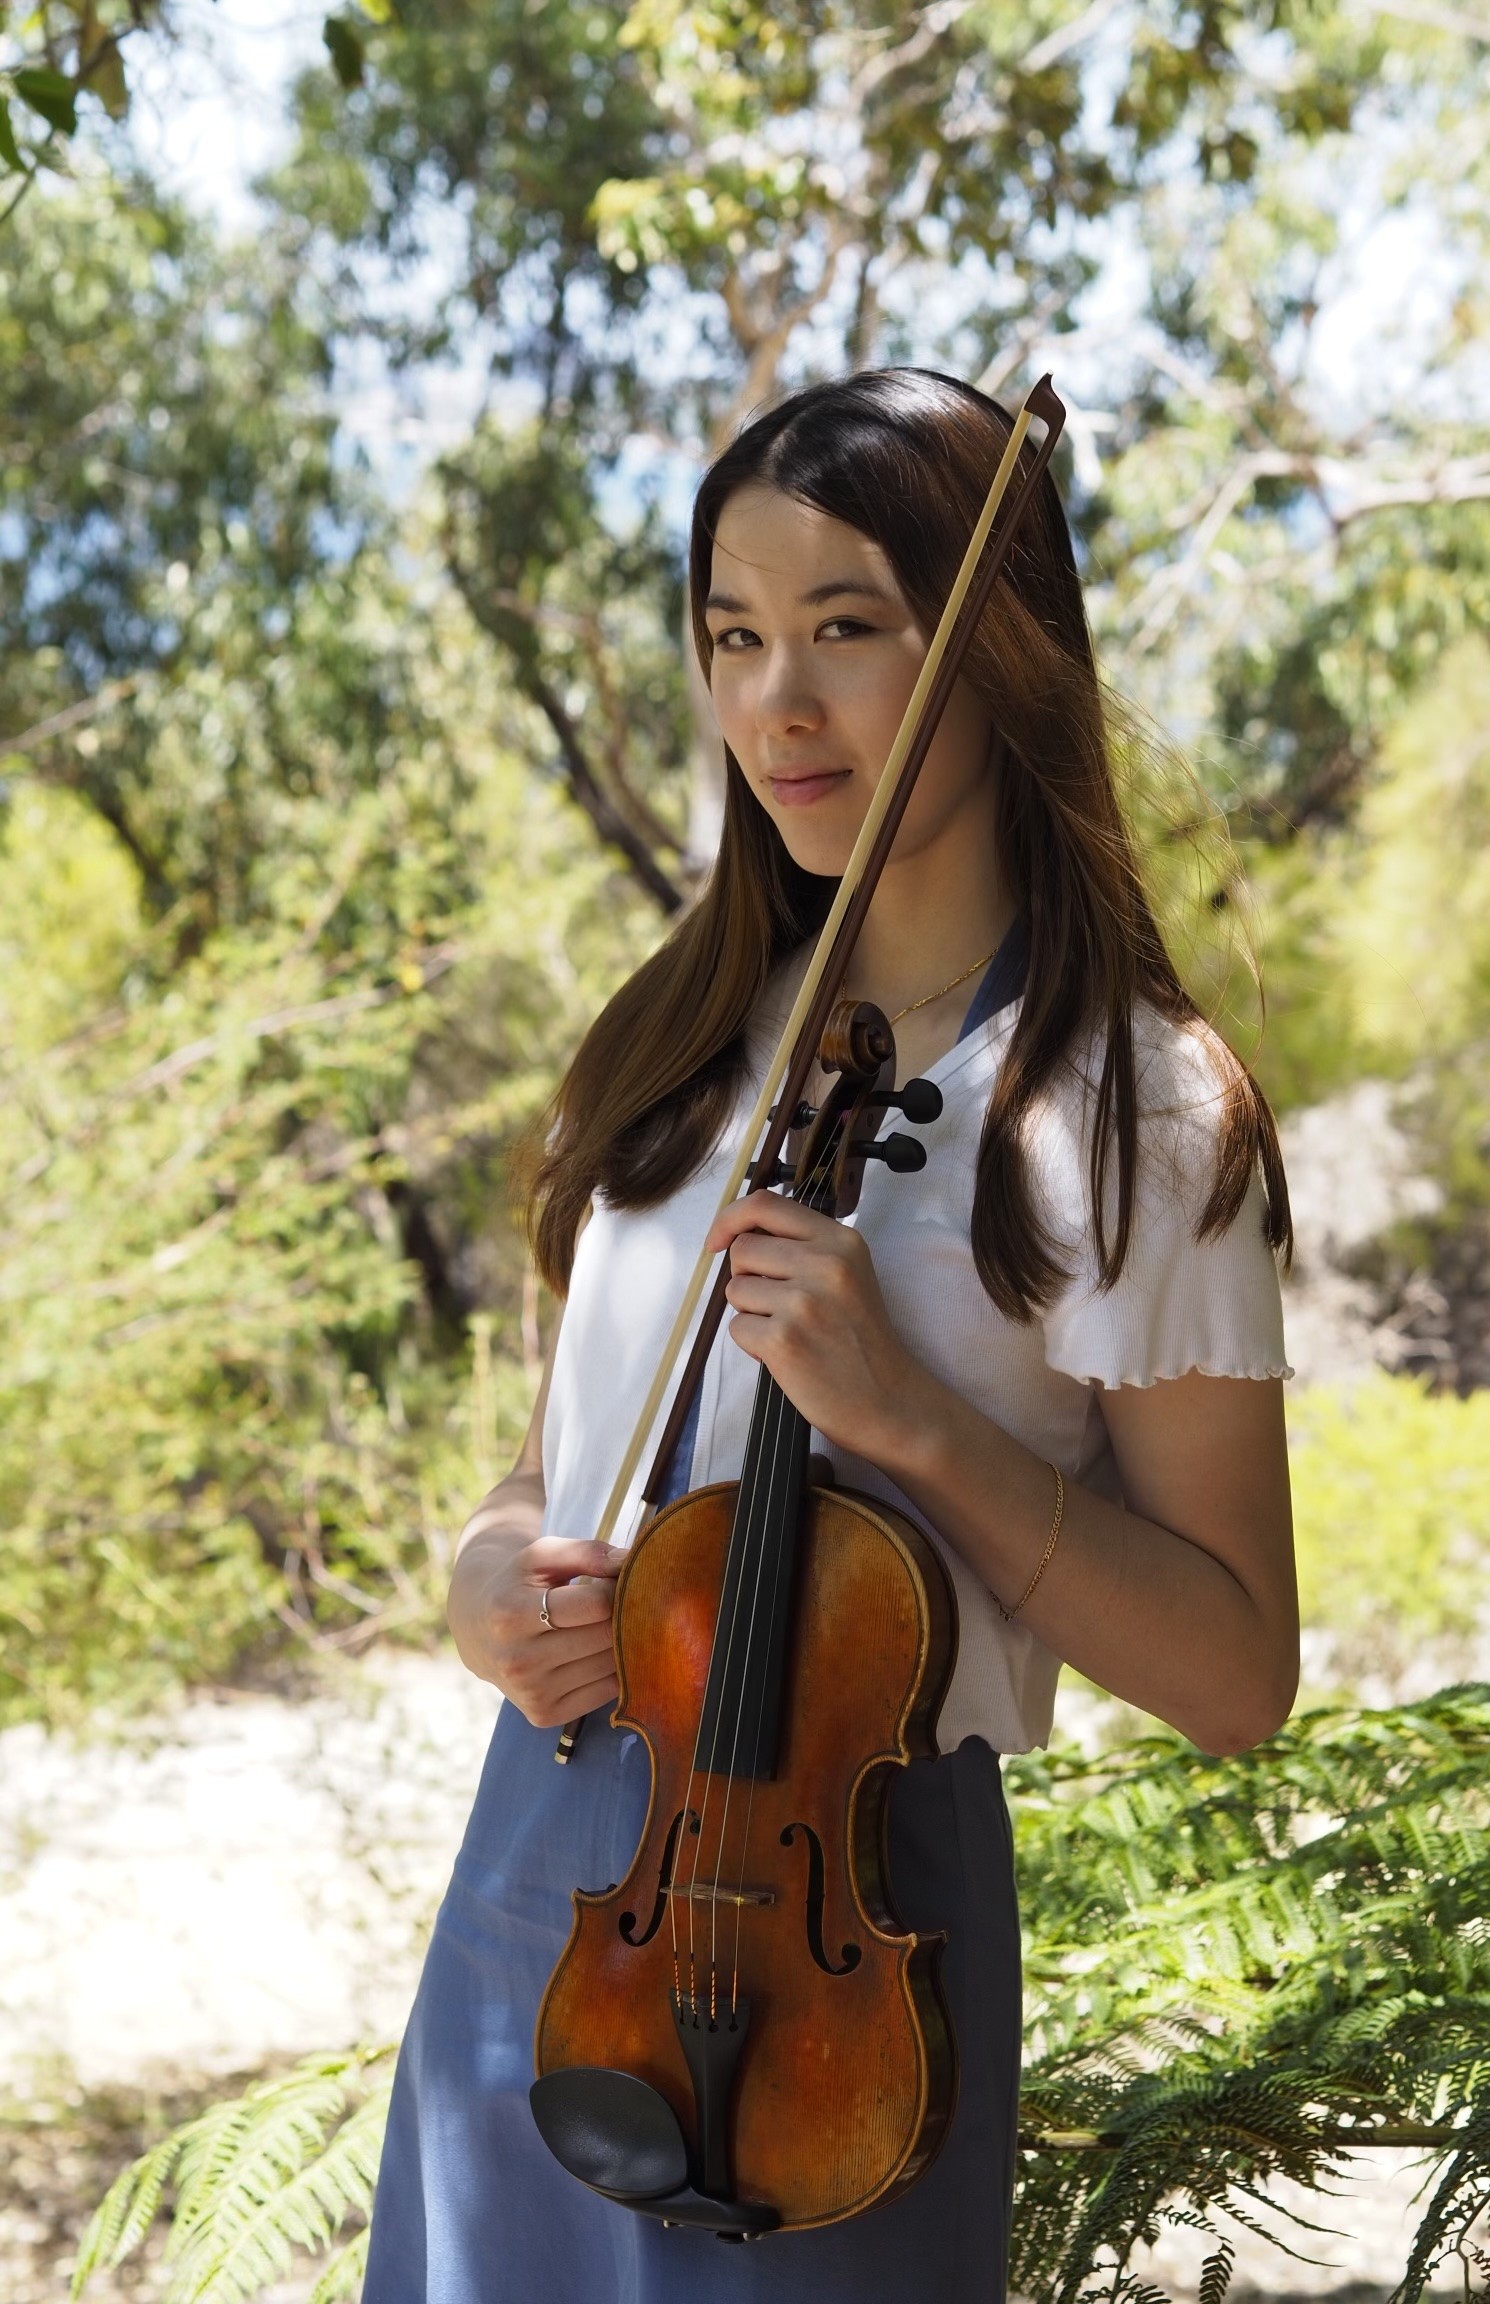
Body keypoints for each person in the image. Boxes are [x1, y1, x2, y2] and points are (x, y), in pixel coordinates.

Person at [363, 367, 1299, 2304]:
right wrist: (484, 1586)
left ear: (1000, 646)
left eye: (851, 631)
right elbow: (547, 1474)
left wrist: (921, 1427)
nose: (779, 705)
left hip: (843, 1959)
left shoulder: (1140, 1112)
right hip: (549, 1886)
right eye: (736, 638)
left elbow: (1234, 1675)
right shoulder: (687, 1042)